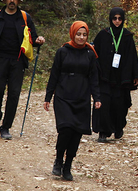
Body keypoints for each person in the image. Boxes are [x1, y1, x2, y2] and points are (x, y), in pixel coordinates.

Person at [0, 0, 45, 140]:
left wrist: (38, 40)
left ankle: (6, 127)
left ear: (18, 1)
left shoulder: (25, 17)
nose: (12, 1)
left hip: (17, 62)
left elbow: (32, 38)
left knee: (14, 95)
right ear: (5, 0)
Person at [43, 21, 102, 181]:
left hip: (82, 97)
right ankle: (58, 160)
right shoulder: (62, 52)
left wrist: (97, 98)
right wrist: (48, 97)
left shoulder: (90, 54)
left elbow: (94, 78)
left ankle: (68, 165)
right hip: (63, 96)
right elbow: (54, 75)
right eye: (78, 34)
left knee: (77, 133)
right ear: (72, 34)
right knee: (66, 129)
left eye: (84, 35)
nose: (81, 37)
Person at [92, 7, 138, 142]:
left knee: (120, 104)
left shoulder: (127, 36)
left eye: (120, 18)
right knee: (103, 103)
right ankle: (103, 131)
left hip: (121, 77)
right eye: (115, 18)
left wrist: (135, 75)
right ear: (110, 19)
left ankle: (118, 127)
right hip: (105, 76)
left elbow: (133, 57)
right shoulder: (103, 35)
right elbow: (93, 53)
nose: (117, 21)